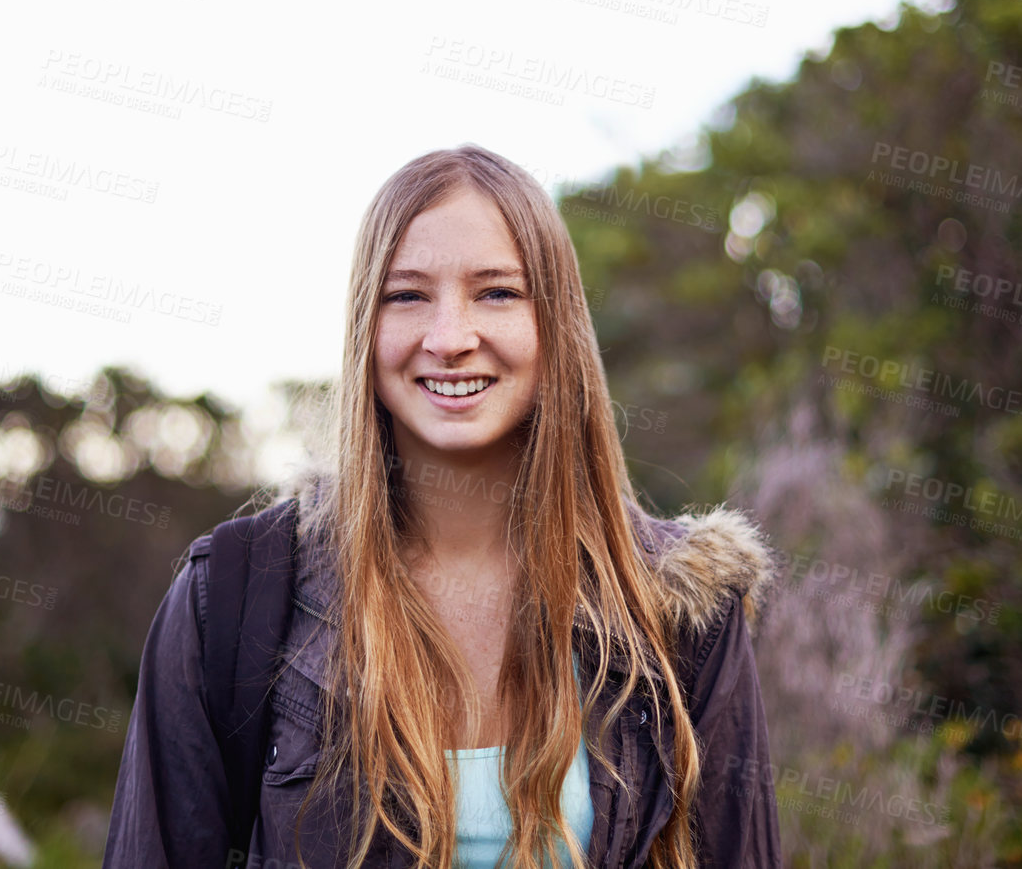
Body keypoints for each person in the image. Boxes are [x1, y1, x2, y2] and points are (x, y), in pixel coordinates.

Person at [103, 144, 784, 868]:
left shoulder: (680, 614)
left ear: (554, 326)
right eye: (407, 295)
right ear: (366, 326)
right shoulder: (234, 598)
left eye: (496, 292)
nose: (450, 338)